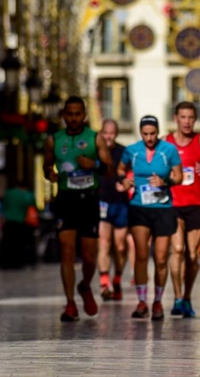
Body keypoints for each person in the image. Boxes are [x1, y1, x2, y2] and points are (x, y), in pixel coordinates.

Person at [43, 96, 113, 322]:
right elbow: (47, 165)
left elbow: (109, 170)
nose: (73, 118)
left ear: (84, 115)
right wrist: (49, 174)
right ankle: (70, 303)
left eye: (77, 114)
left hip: (89, 200)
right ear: (64, 115)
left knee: (90, 256)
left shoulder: (96, 138)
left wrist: (93, 165)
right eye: (69, 114)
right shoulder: (54, 140)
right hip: (65, 200)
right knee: (66, 251)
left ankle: (85, 286)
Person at [117, 115, 182, 320]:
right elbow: (120, 169)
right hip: (139, 207)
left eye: (153, 133)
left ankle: (158, 302)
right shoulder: (132, 150)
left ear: (158, 131)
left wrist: (165, 181)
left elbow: (179, 177)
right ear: (140, 133)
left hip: (163, 208)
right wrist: (124, 180)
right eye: (145, 134)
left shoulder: (169, 150)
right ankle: (142, 301)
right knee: (141, 255)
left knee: (161, 258)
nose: (149, 138)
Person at [165, 101, 200, 318]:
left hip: (196, 204)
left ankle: (187, 297)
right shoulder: (165, 143)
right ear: (176, 118)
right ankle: (177, 297)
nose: (187, 122)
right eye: (183, 117)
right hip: (172, 204)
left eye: (190, 118)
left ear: (195, 119)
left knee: (192, 254)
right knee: (177, 249)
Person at [97, 119, 130, 301]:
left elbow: (131, 175)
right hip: (102, 201)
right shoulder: (95, 152)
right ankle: (104, 282)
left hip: (121, 202)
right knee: (104, 242)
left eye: (112, 133)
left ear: (116, 134)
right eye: (106, 132)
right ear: (101, 133)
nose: (108, 136)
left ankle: (116, 279)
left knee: (120, 245)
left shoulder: (124, 152)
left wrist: (127, 184)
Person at [0, 180, 38, 269]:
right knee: (18, 244)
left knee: (7, 244)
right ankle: (18, 263)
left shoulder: (8, 193)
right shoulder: (24, 194)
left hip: (8, 222)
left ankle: (6, 263)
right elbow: (31, 205)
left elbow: (4, 206)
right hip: (20, 222)